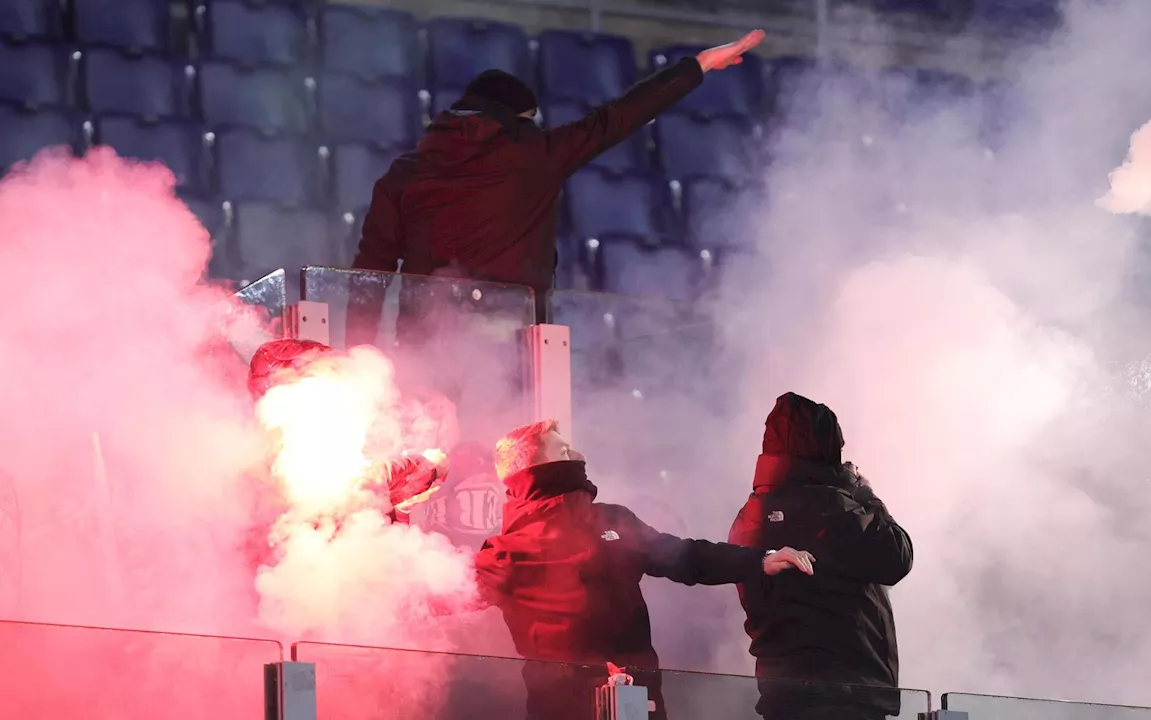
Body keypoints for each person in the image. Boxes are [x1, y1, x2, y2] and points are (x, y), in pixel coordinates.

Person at [347, 29, 767, 346]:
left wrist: (357, 354)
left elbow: (371, 270)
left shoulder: (403, 173)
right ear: (517, 118)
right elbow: (619, 116)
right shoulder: (537, 153)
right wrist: (697, 66)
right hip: (510, 344)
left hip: (425, 345)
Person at [473, 419, 815, 720]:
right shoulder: (505, 554)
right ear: (534, 471)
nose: (579, 457)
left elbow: (684, 556)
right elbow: (436, 598)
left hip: (638, 703)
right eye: (563, 452)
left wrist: (757, 560)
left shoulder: (612, 519)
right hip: (561, 711)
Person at [729, 393, 913, 720]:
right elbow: (897, 556)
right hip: (844, 697)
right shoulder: (834, 508)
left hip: (781, 696)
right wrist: (864, 494)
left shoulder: (747, 517)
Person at [246, 338, 449, 518]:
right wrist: (421, 473)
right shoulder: (284, 466)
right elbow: (363, 488)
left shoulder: (330, 436)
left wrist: (404, 503)